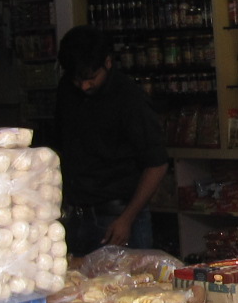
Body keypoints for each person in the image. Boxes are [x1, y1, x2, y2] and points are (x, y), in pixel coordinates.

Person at [54, 26, 169, 256]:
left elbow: (157, 164)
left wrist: (126, 219)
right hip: (76, 214)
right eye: (78, 80)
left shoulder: (130, 99)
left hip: (118, 217)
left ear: (107, 63)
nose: (84, 86)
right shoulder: (67, 91)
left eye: (90, 79)